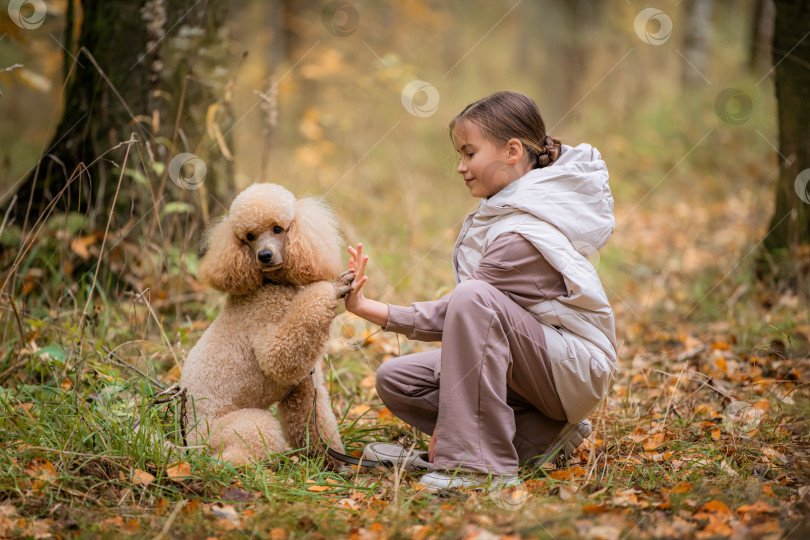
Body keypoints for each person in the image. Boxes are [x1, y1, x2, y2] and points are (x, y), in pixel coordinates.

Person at [342, 90, 618, 491]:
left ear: (511, 151)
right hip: (540, 361)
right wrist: (366, 307)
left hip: (574, 369)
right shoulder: (517, 208)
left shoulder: (523, 234)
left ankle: (476, 466)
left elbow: (461, 309)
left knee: (474, 299)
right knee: (396, 378)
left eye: (469, 153)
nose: (461, 167)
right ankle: (540, 437)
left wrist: (371, 309)